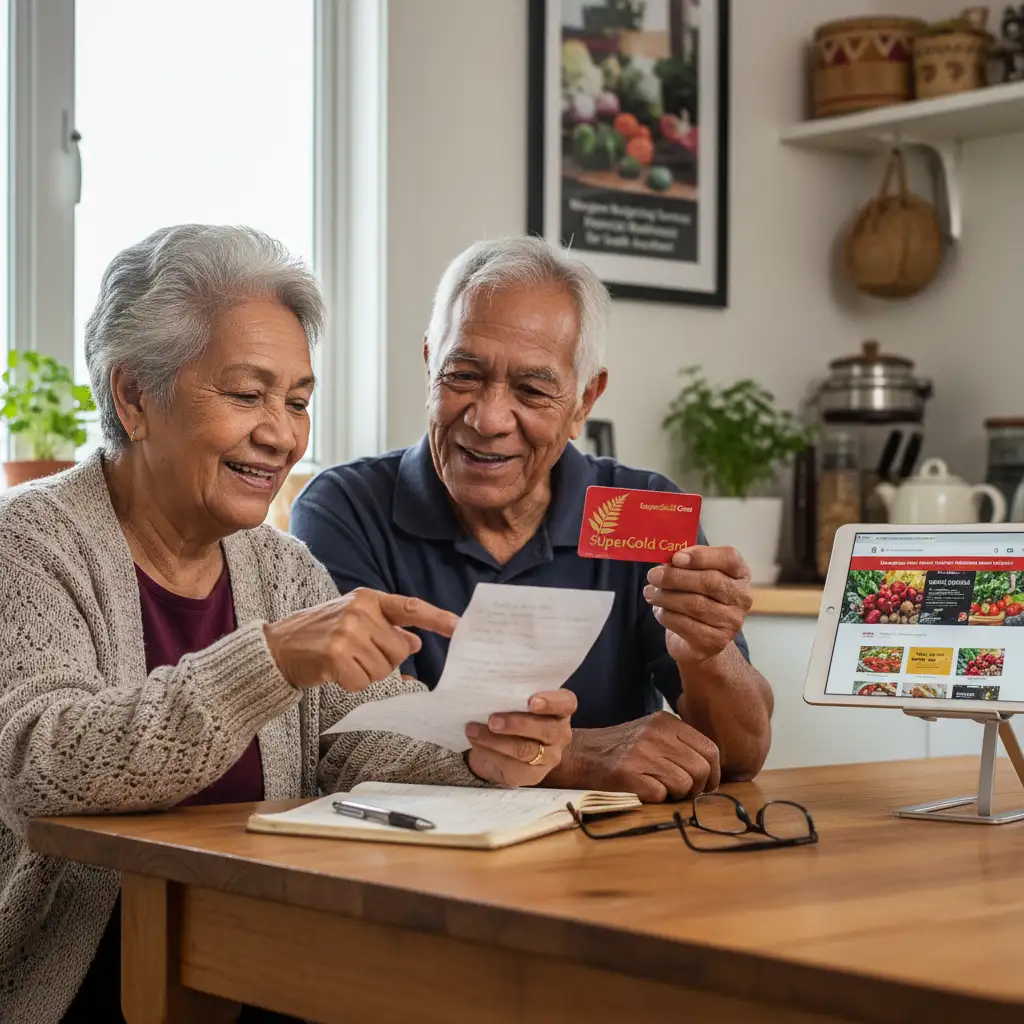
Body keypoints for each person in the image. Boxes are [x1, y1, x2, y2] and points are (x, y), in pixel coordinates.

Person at [0, 226, 576, 1024]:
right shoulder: (31, 542)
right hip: (81, 992)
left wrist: (475, 754)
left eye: (298, 401)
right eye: (247, 395)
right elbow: (42, 765)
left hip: (258, 973)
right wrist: (268, 660)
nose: (282, 433)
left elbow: (354, 745)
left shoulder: (281, 568)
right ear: (134, 395)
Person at [292, 236, 774, 804]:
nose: (489, 418)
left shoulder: (639, 508)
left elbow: (740, 756)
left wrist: (706, 652)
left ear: (584, 401)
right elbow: (349, 737)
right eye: (463, 376)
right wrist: (573, 760)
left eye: (531, 389)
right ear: (429, 364)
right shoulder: (344, 509)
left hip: (612, 866)